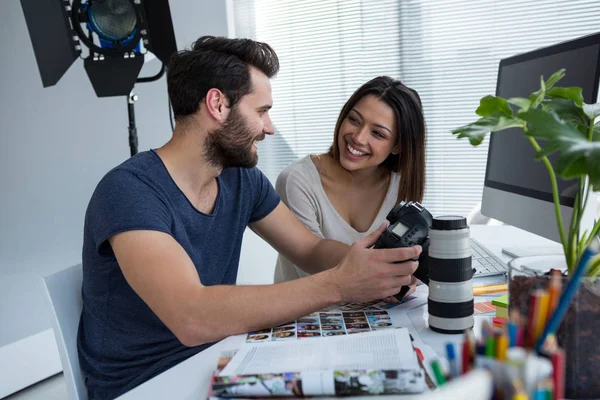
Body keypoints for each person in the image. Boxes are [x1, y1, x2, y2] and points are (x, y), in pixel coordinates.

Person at [77, 36, 421, 400]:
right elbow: (192, 318)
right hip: (146, 384)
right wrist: (340, 284)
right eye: (261, 111)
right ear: (218, 104)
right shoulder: (129, 191)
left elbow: (309, 249)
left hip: (221, 358)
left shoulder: (240, 178)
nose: (269, 127)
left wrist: (373, 265)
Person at [273, 76, 426, 291]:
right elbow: (311, 268)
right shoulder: (297, 181)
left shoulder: (401, 185)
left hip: (378, 315)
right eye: (354, 120)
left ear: (397, 146)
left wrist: (408, 278)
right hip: (307, 317)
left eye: (378, 133)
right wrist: (385, 275)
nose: (358, 138)